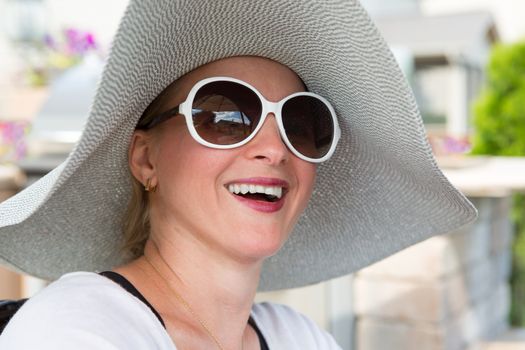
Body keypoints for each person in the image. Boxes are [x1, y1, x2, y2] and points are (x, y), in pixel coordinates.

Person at [0, 0, 477, 349]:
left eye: (301, 124)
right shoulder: (75, 330)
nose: (275, 149)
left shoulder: (300, 338)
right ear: (146, 159)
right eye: (224, 117)